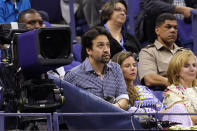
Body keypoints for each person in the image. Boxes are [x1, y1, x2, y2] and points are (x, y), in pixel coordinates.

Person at [64, 26, 129, 110]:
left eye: (108, 45)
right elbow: (67, 109)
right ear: (89, 50)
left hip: (113, 120)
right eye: (100, 45)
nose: (106, 50)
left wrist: (110, 110)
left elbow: (123, 97)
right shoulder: (73, 75)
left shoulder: (116, 68)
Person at [138, 13, 184, 91]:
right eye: (168, 27)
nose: (173, 30)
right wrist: (177, 84)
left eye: (175, 28)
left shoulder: (184, 52)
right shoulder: (148, 52)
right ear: (157, 30)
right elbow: (149, 78)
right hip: (166, 95)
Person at [18, 8, 65, 79]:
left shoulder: (51, 51)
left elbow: (61, 77)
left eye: (40, 23)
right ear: (19, 26)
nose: (37, 26)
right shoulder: (12, 51)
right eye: (31, 23)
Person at [162, 50, 197, 128]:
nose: (192, 69)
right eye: (186, 66)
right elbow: (182, 117)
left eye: (194, 65)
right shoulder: (171, 92)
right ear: (176, 71)